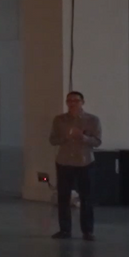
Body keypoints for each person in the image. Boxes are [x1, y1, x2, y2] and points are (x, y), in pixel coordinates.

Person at [50, 90, 102, 241]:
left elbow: (97, 142)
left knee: (86, 197)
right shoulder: (59, 120)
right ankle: (65, 230)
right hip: (64, 161)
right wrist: (66, 137)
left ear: (82, 102)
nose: (72, 103)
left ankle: (88, 231)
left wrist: (83, 137)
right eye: (69, 101)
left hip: (84, 162)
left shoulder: (92, 120)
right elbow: (53, 140)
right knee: (63, 197)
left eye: (76, 101)